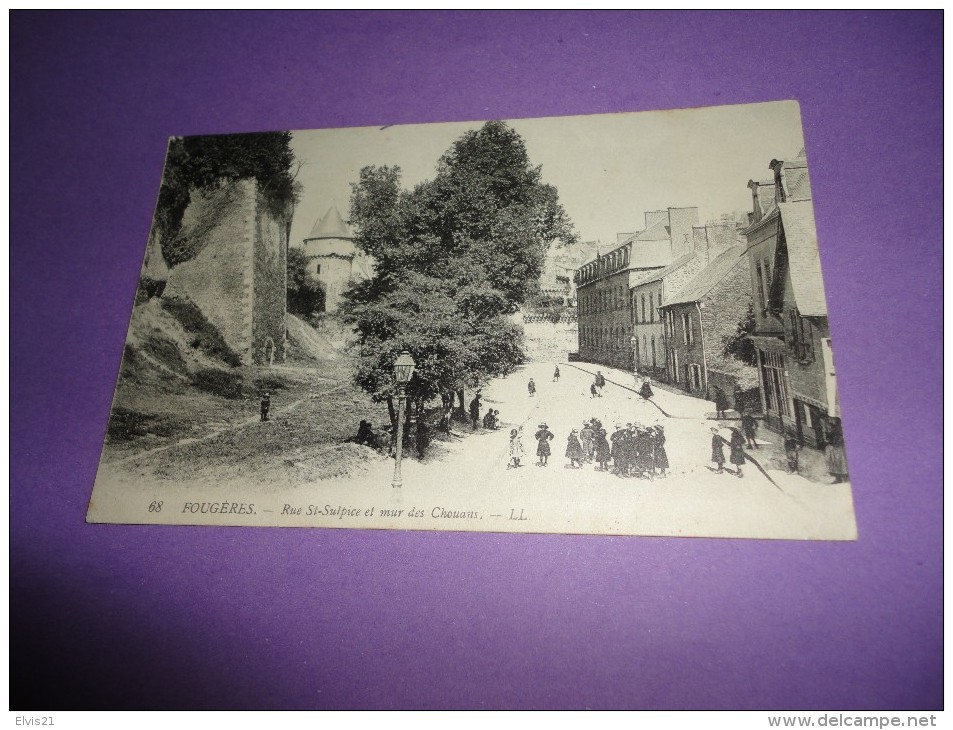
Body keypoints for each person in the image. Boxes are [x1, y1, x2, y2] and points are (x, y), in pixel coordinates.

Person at [825, 419, 849, 483]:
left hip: (839, 445)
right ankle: (838, 478)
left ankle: (845, 476)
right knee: (835, 461)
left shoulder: (839, 426)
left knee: (841, 460)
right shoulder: (830, 425)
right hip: (834, 444)